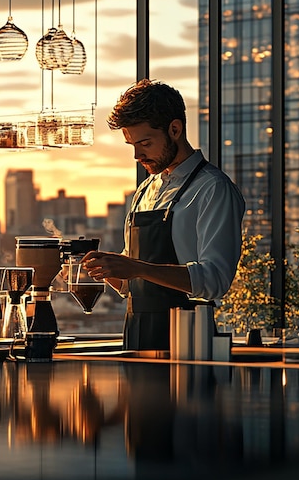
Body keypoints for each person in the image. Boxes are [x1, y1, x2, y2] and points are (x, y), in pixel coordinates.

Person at [82, 79, 246, 351]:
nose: (137, 154)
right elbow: (129, 285)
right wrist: (104, 269)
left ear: (175, 129)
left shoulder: (213, 188)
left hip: (189, 340)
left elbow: (215, 281)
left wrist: (136, 267)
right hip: (136, 336)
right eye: (131, 144)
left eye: (145, 142)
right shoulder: (145, 190)